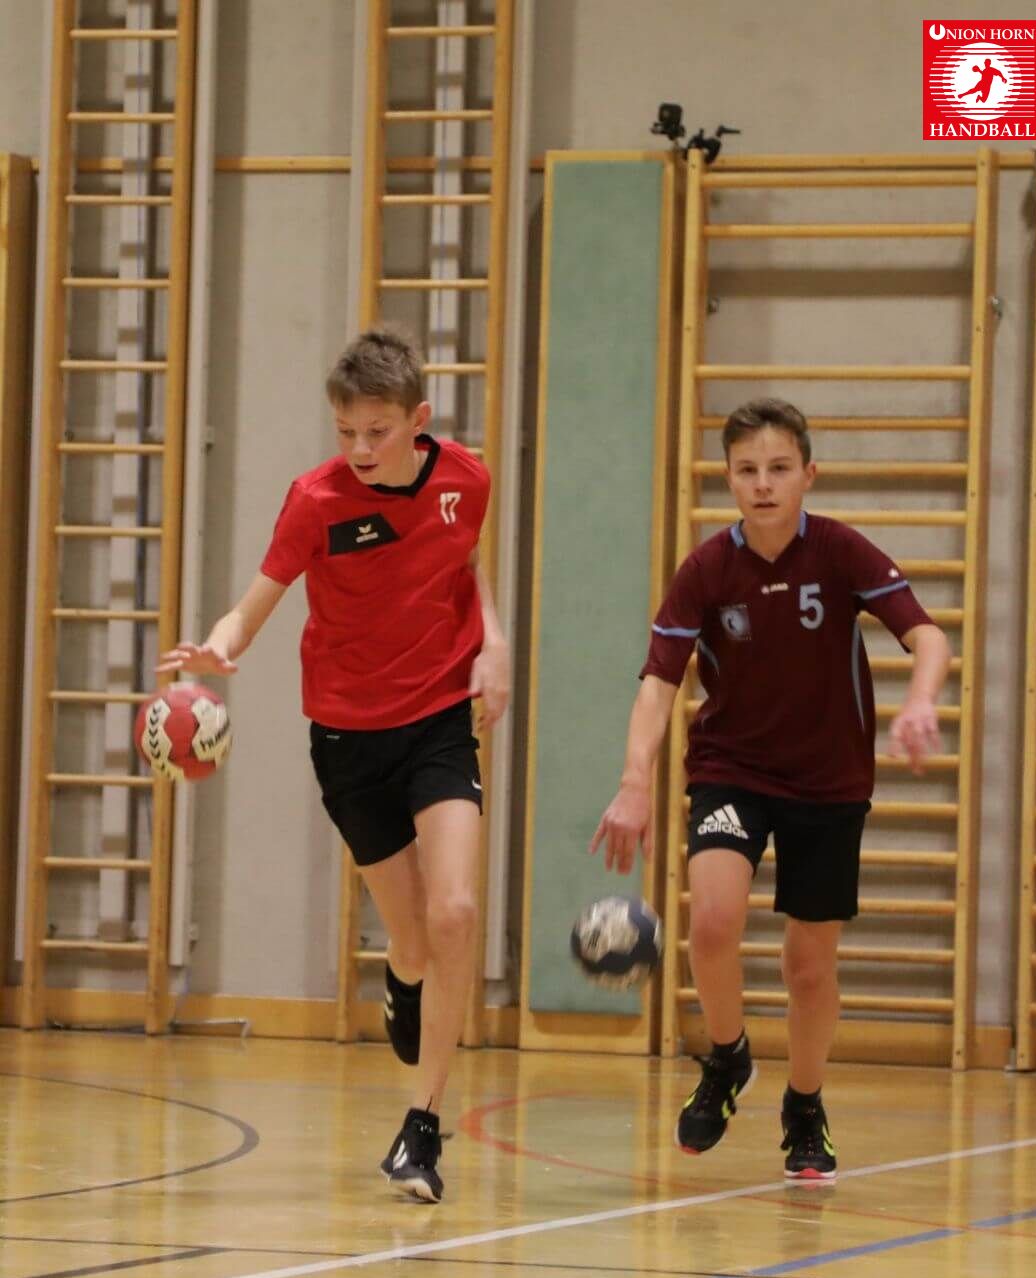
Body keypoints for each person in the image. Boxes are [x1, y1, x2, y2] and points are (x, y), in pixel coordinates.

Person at [157, 326, 510, 1203]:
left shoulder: (466, 479)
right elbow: (255, 605)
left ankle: (421, 1127)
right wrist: (220, 646)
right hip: (348, 737)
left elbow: (467, 565)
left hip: (438, 720)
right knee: (414, 940)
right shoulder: (315, 501)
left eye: (377, 432)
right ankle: (403, 974)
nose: (359, 448)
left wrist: (493, 643)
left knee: (456, 910)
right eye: (346, 431)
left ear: (419, 420)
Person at [591, 398, 950, 1183]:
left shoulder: (840, 551)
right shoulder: (706, 571)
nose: (762, 484)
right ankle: (727, 1058)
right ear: (728, 478)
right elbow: (658, 683)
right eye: (747, 470)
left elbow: (926, 635)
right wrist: (633, 782)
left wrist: (921, 701)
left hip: (829, 778)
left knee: (807, 967)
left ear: (807, 474)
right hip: (732, 768)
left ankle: (804, 1104)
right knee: (712, 920)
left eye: (778, 468)